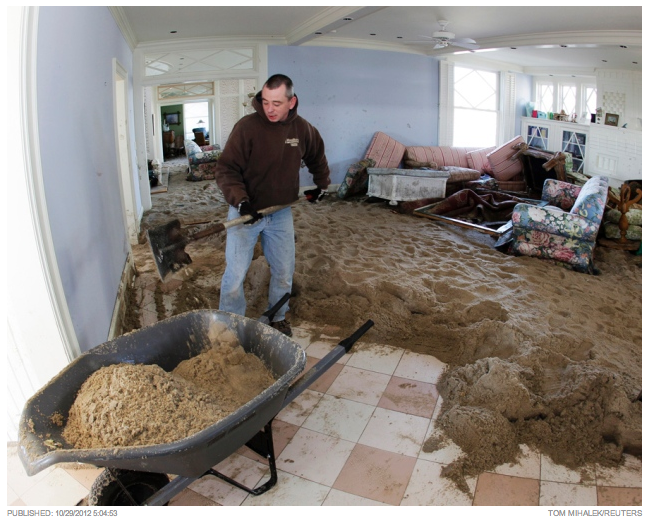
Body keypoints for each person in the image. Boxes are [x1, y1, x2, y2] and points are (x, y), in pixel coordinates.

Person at [214, 74, 330, 337]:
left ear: (292, 102)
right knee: (235, 274)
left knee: (283, 271)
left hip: (280, 212)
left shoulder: (302, 130)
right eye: (265, 101)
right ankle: (231, 323)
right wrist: (241, 201)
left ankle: (277, 317)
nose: (269, 109)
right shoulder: (246, 127)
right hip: (245, 212)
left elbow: (317, 155)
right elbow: (226, 169)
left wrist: (321, 184)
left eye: (276, 103)